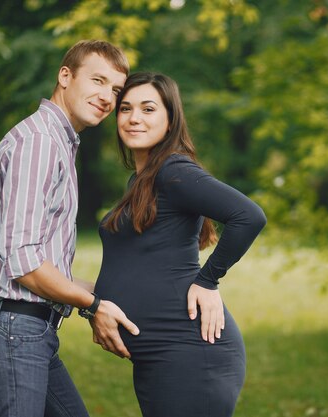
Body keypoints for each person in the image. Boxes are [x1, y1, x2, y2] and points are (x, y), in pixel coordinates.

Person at [0, 40, 140, 417]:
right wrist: (94, 306)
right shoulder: (40, 144)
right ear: (65, 76)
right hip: (13, 329)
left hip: (28, 329)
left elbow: (41, 263)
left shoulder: (58, 142)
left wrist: (114, 294)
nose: (107, 97)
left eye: (115, 90)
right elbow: (25, 264)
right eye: (97, 80)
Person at [93, 72, 267, 417]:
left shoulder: (174, 171)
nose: (134, 118)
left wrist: (208, 279)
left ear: (171, 119)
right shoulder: (141, 180)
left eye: (148, 108)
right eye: (125, 109)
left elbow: (249, 216)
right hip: (159, 356)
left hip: (189, 353)